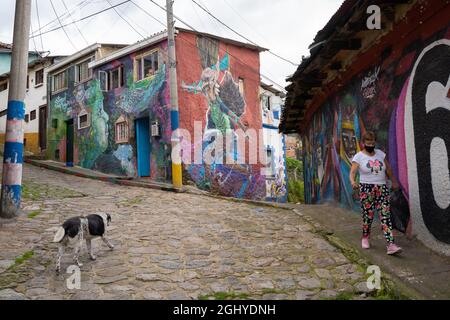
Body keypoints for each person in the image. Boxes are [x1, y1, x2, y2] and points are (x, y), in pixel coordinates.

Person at [350, 131, 402, 255]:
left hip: (382, 188)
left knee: (385, 215)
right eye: (368, 143)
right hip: (366, 189)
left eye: (373, 143)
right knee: (368, 216)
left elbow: (388, 169)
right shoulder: (359, 157)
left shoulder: (380, 154)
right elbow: (352, 173)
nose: (370, 145)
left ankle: (391, 244)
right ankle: (365, 237)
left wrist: (394, 181)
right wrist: (353, 182)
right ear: (363, 143)